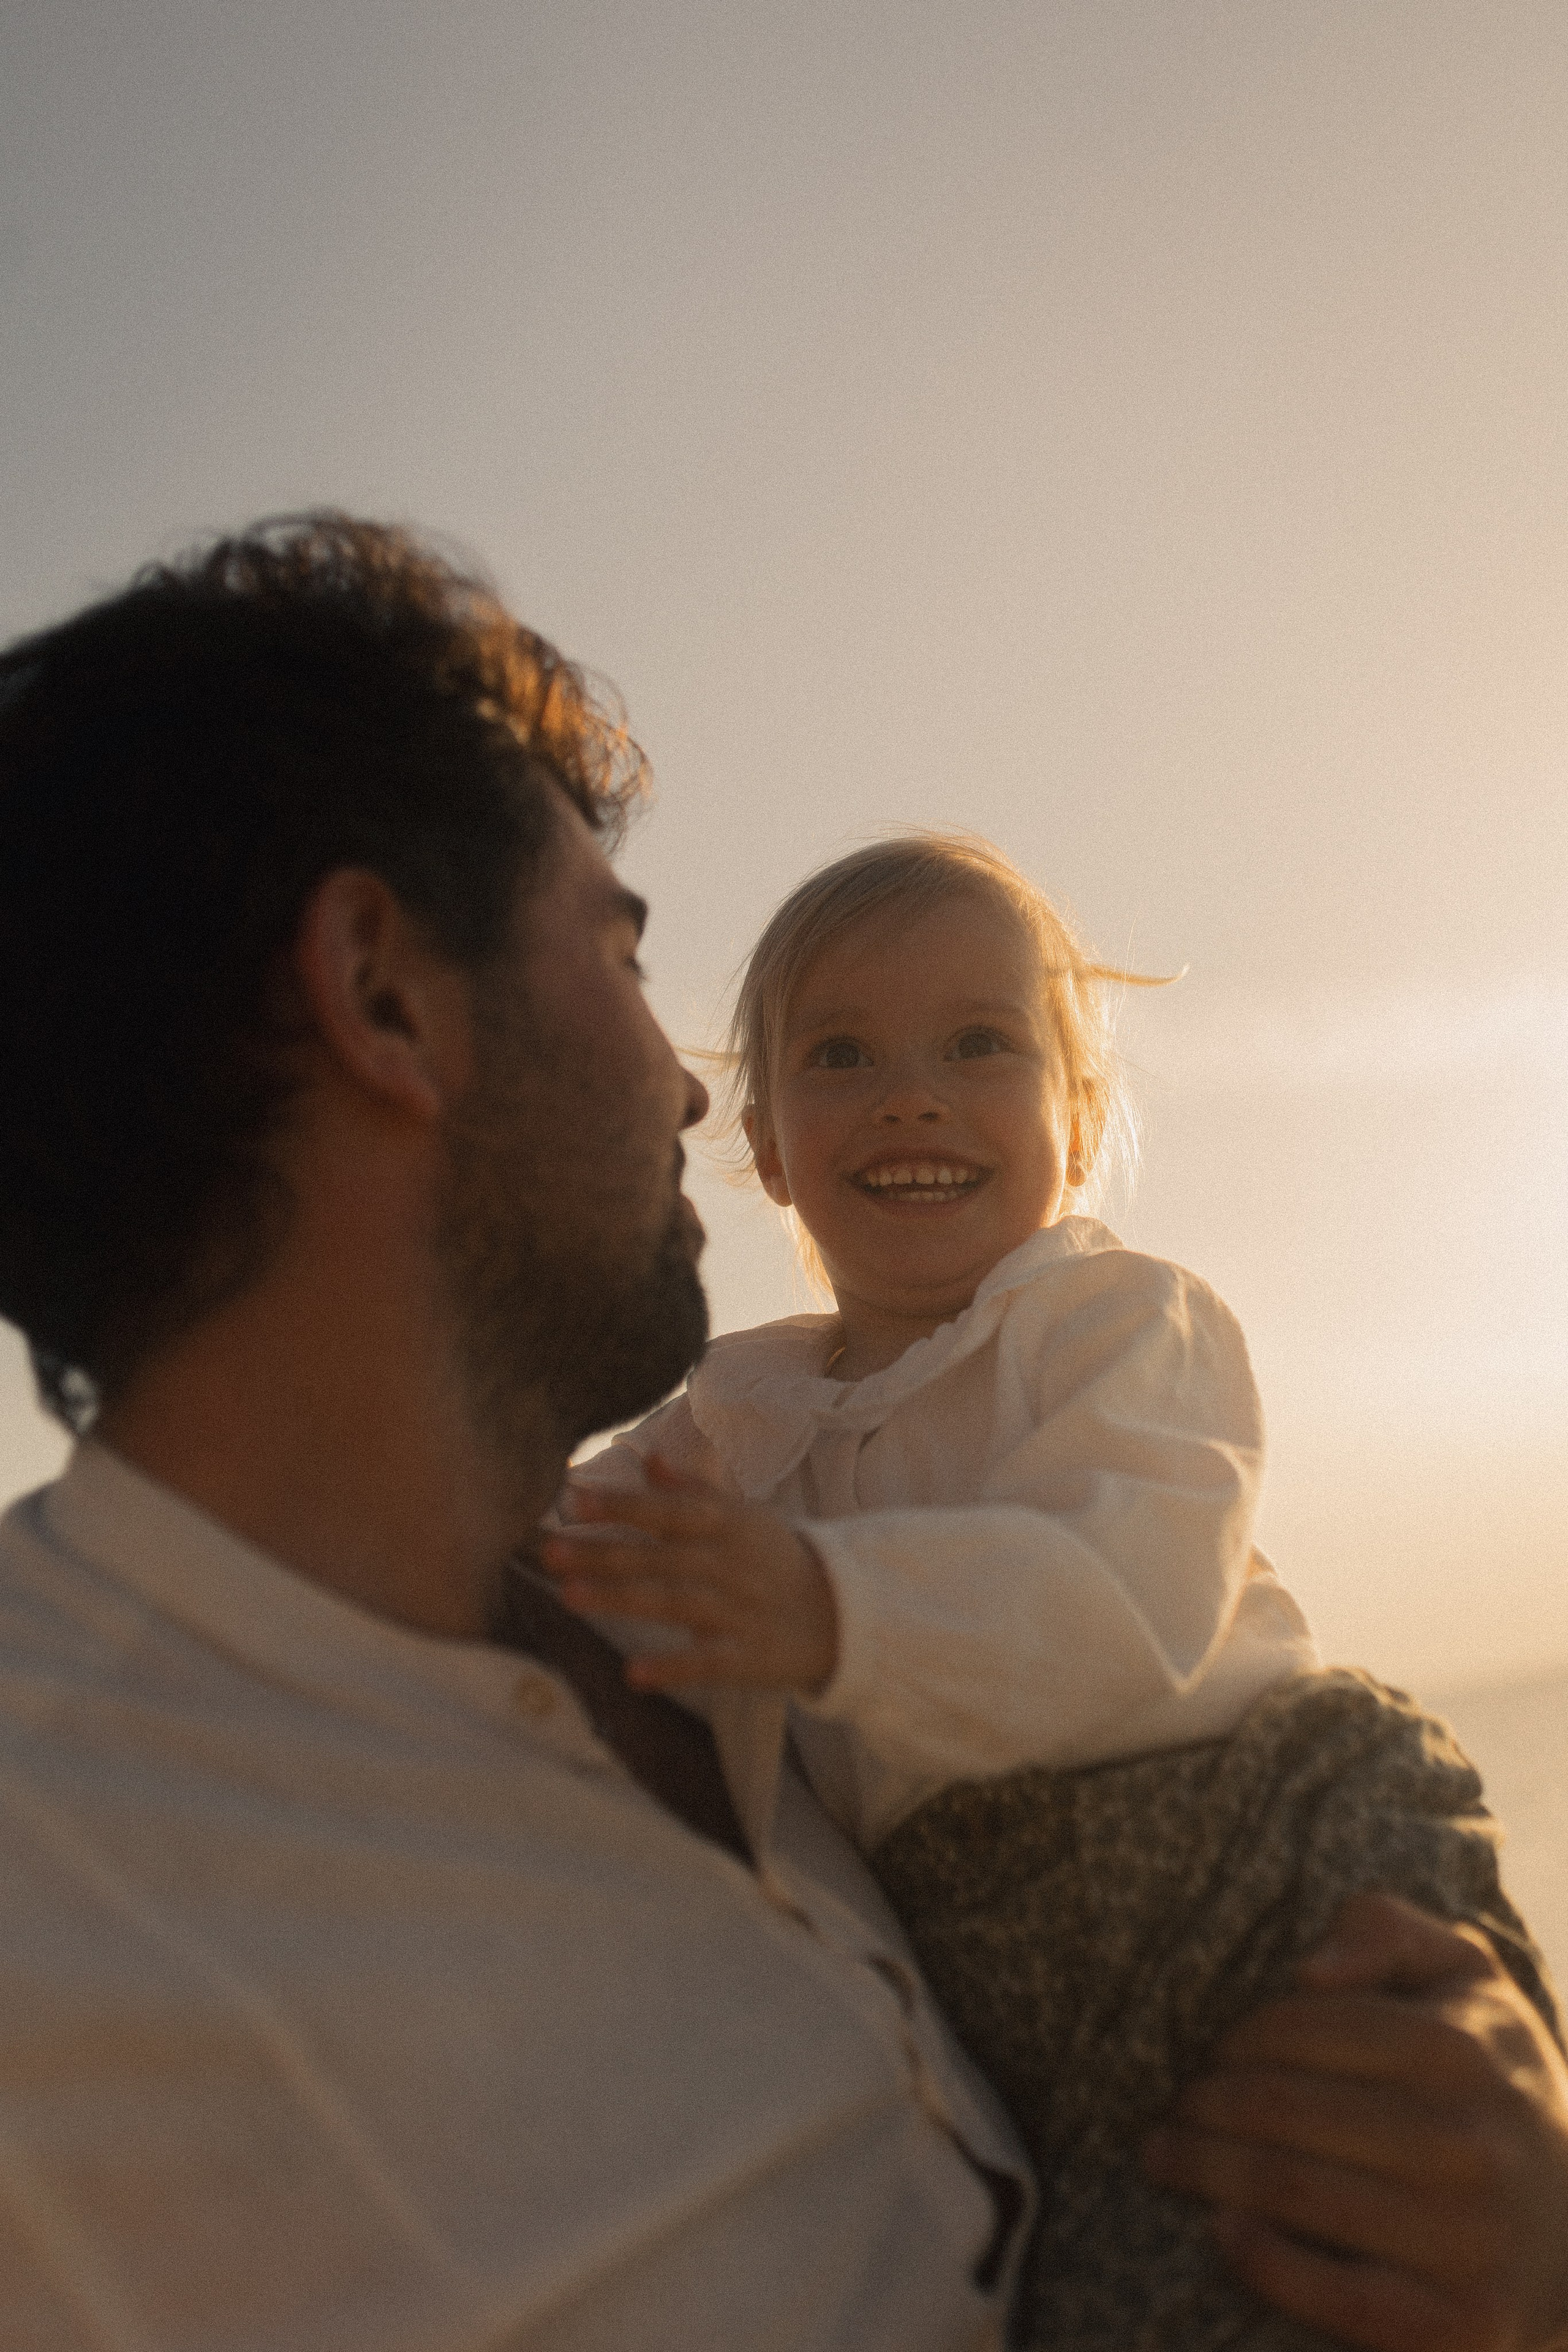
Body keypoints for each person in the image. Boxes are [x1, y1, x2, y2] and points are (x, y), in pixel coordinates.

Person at [0, 518, 1562, 2352]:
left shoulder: (690, 1563)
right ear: (387, 998)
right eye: (621, 949)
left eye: (981, 1048)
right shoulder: (68, 1909)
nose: (682, 1084)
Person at [546, 833, 1567, 2346]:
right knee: (1096, 2299)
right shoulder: (737, 1415)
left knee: (1326, 2243)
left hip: (1254, 1849)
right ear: (765, 1147)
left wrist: (829, 1609)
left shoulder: (1110, 1325)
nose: (911, 1092)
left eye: (980, 1044)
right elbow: (559, 1534)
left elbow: (1122, 1596)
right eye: (840, 1054)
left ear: (1076, 1120)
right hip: (1004, 1961)